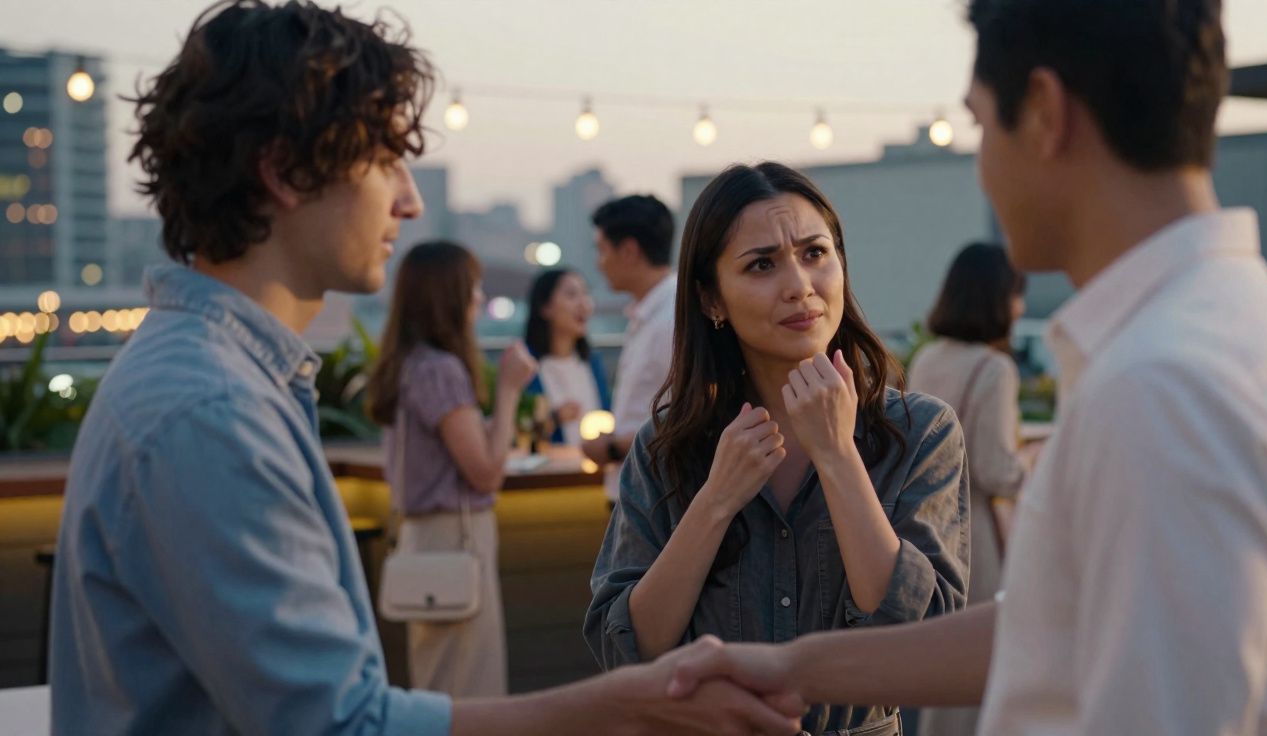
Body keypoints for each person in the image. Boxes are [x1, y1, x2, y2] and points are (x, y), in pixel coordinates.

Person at [47, 2, 804, 734]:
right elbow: (341, 726)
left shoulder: (214, 378)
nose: (408, 201)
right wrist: (635, 707)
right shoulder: (211, 410)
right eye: (386, 161)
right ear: (284, 172)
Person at [664, 1, 1267, 734]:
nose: (982, 166)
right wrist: (790, 669)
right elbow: (1054, 629)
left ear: (1042, 112)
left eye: (978, 125)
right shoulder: (1234, 330)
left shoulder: (1160, 386)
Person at [586, 162, 970, 735]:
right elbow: (628, 649)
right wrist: (715, 501)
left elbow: (925, 643)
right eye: (761, 264)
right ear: (711, 300)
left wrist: (838, 456)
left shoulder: (919, 432)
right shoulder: (668, 446)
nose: (799, 285)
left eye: (815, 253)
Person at [365, 240, 536, 697]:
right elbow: (486, 473)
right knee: (468, 684)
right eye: (472, 287)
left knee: (439, 677)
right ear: (449, 296)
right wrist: (509, 391)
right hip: (455, 536)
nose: (479, 298)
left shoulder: (410, 364)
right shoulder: (440, 370)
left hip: (423, 537)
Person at [907, 242, 1033, 736]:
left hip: (927, 521)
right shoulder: (994, 368)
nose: (1020, 307)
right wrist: (1035, 463)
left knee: (943, 661)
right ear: (997, 297)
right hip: (976, 530)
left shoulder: (929, 357)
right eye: (1016, 295)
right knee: (979, 666)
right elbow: (995, 469)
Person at [579, 195, 676, 505]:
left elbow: (691, 415)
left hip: (656, 499)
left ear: (630, 251)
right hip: (640, 491)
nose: (599, 262)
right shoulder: (650, 312)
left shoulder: (671, 318)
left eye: (602, 250)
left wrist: (612, 448)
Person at [522, 268, 610, 446]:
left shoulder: (592, 362)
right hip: (549, 462)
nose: (584, 304)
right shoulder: (525, 365)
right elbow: (518, 429)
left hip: (594, 462)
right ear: (545, 307)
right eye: (571, 295)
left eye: (585, 294)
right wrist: (554, 419)